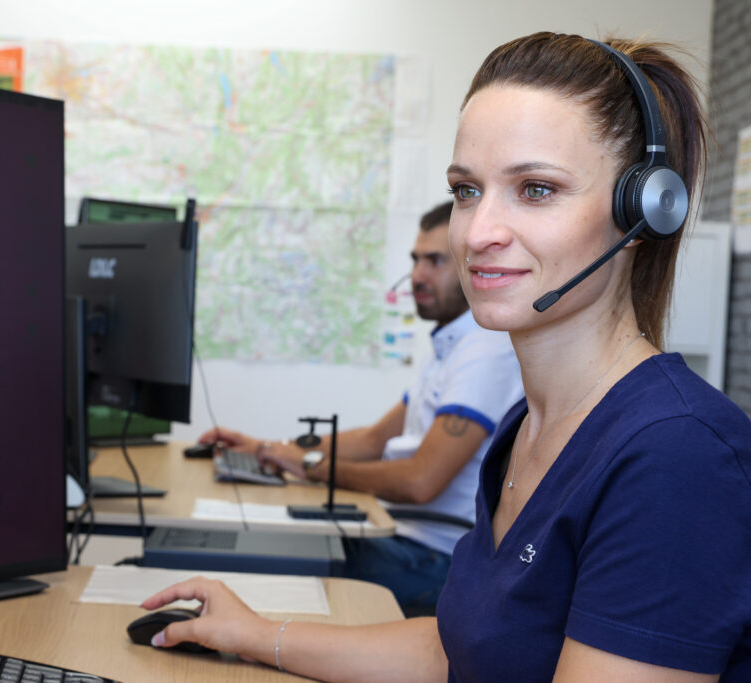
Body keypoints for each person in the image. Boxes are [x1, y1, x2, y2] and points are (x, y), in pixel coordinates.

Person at [140, 32, 751, 681]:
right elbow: (454, 650)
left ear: (642, 213)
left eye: (536, 189)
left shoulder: (678, 456)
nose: (479, 232)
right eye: (466, 190)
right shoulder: (526, 426)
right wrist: (258, 634)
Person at [199, 199, 524, 614]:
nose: (417, 276)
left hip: (436, 560)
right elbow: (374, 439)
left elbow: (420, 481)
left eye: (435, 261)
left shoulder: (484, 353)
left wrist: (311, 467)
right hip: (404, 537)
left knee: (271, 564)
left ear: (473, 266)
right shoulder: (451, 346)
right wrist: (270, 448)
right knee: (271, 553)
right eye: (416, 260)